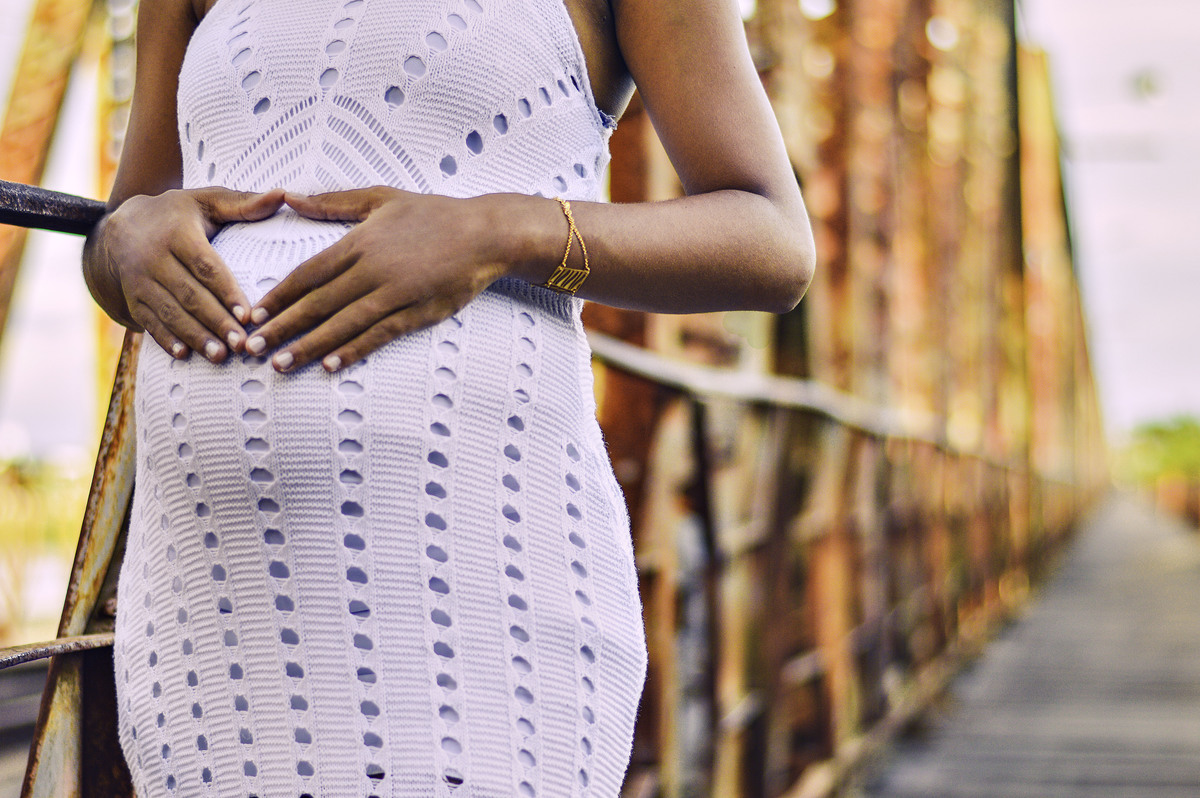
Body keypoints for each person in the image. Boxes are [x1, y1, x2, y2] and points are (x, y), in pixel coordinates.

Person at [82, 0, 814, 794]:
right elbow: (124, 231)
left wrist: (502, 232)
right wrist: (123, 242)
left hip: (469, 588)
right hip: (212, 596)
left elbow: (771, 243)